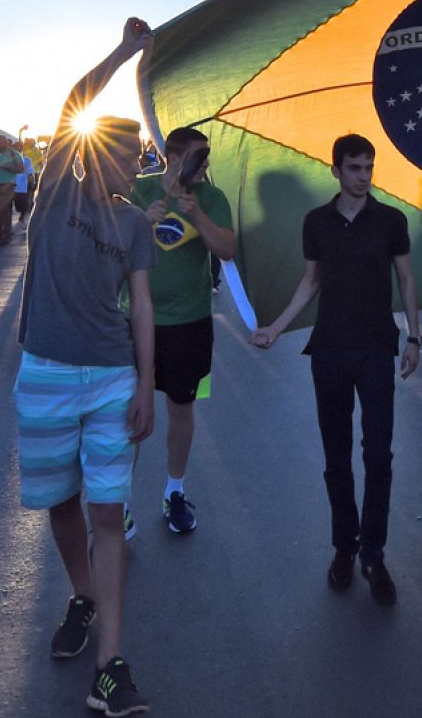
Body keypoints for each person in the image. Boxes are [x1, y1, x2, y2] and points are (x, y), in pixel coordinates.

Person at [15, 17, 156, 716]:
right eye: (126, 159)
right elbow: (76, 100)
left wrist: (147, 389)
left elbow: (141, 309)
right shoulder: (56, 197)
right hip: (43, 373)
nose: (132, 170)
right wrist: (125, 53)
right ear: (96, 158)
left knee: (108, 512)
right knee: (61, 506)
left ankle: (111, 666)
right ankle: (84, 597)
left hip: (110, 376)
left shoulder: (133, 225)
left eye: (137, 162)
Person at [252, 134, 417, 601]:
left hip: (376, 349)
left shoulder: (390, 220)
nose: (363, 176)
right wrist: (277, 327)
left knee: (379, 454)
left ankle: (374, 554)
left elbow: (405, 277)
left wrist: (415, 337)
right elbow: (312, 281)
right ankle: (344, 549)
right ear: (336, 170)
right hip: (328, 351)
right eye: (354, 168)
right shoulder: (316, 223)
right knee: (337, 457)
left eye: (369, 167)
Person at [128, 127, 235, 537]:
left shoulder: (211, 197)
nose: (205, 164)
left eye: (206, 157)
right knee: (128, 412)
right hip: (134, 320)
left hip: (190, 322)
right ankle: (117, 503)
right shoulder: (136, 191)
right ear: (171, 157)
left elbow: (226, 249)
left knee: (181, 407)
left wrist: (196, 215)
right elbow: (107, 239)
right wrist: (140, 220)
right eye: (197, 156)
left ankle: (174, 490)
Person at [0, 135, 25, 245]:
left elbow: (21, 169)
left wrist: (6, 166)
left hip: (8, 184)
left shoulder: (14, 154)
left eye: (2, 142)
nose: (0, 144)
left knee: (3, 209)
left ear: (7, 143)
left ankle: (6, 234)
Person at [13, 150, 37, 224]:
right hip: (13, 184)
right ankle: (21, 212)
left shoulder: (27, 160)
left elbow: (30, 172)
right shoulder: (10, 161)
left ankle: (22, 214)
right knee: (17, 203)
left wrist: (32, 181)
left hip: (24, 183)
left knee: (23, 201)